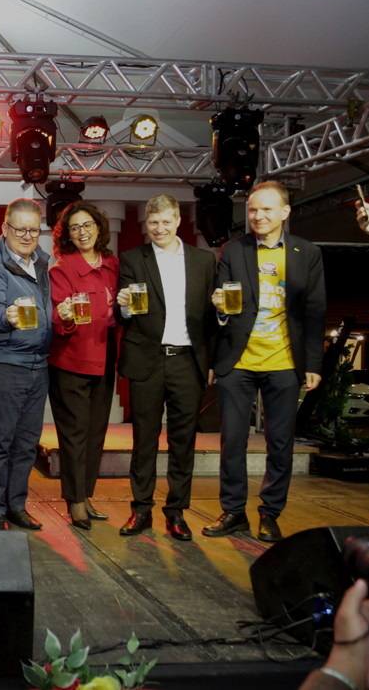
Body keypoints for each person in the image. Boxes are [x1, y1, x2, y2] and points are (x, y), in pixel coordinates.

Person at [204, 180, 326, 543]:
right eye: (253, 210)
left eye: (266, 209)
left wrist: (314, 364)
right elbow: (220, 309)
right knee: (233, 440)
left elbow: (316, 312)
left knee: (281, 443)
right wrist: (220, 311)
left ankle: (270, 513)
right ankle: (234, 511)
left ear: (285, 213)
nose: (257, 216)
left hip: (285, 362)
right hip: (238, 362)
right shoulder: (232, 250)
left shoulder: (307, 253)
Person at [115, 194, 217, 540]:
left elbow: (211, 318)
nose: (159, 228)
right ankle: (140, 510)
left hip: (188, 361)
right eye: (152, 223)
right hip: (147, 359)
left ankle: (176, 512)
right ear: (146, 223)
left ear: (177, 221)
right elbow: (121, 314)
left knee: (182, 441)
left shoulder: (204, 261)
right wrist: (125, 306)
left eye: (165, 222)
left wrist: (211, 361)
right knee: (143, 440)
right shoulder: (131, 259)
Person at [0, 198, 51, 532]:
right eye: (19, 229)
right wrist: (5, 316)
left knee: (27, 444)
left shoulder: (43, 263)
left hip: (38, 364)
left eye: (33, 230)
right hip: (4, 362)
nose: (26, 235)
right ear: (5, 228)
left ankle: (15, 504)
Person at [47, 201, 119, 531]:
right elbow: (60, 320)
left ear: (98, 227)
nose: (82, 232)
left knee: (95, 434)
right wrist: (64, 317)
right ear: (68, 235)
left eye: (87, 224)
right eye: (74, 228)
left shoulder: (113, 264)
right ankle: (74, 501)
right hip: (72, 361)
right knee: (74, 436)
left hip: (105, 358)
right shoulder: (63, 268)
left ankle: (86, 495)